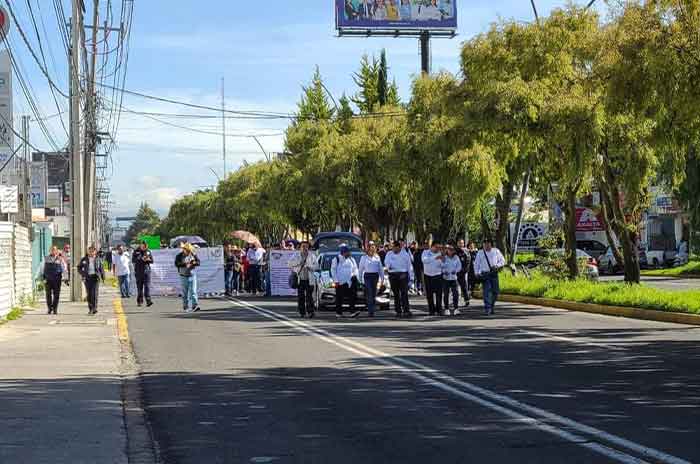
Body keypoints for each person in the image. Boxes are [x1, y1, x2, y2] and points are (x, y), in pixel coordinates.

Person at [474, 238, 506, 315]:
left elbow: (502, 261)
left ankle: (491, 306)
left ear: (491, 244)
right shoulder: (480, 252)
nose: (486, 245)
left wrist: (497, 265)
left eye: (488, 243)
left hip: (494, 273)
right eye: (484, 243)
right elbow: (476, 264)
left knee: (495, 291)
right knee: (487, 291)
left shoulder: (496, 251)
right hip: (485, 274)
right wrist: (476, 273)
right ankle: (487, 308)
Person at [288, 241, 318, 318]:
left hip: (309, 279)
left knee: (309, 297)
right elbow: (289, 264)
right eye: (303, 246)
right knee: (301, 297)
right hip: (300, 279)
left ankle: (310, 311)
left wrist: (310, 267)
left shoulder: (312, 256)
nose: (305, 248)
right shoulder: (296, 255)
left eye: (307, 247)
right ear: (300, 247)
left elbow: (317, 266)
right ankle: (302, 312)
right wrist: (299, 262)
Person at [385, 240, 413, 318]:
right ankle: (398, 311)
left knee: (404, 293)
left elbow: (409, 266)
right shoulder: (389, 254)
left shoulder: (405, 254)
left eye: (395, 247)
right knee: (396, 294)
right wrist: (388, 266)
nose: (393, 249)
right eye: (393, 247)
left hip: (403, 275)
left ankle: (406, 310)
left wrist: (411, 277)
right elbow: (386, 263)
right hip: (393, 275)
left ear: (399, 247)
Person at [331, 245, 360, 318]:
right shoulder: (336, 259)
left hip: (350, 281)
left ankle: (352, 312)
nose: (349, 253)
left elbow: (355, 268)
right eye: (348, 252)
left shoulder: (351, 259)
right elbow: (333, 270)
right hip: (340, 282)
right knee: (339, 298)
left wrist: (354, 275)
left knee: (352, 297)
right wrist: (336, 280)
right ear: (343, 252)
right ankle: (339, 313)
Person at [77, 246, 106, 315]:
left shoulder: (98, 259)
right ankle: (90, 308)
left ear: (95, 252)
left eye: (93, 251)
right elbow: (79, 267)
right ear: (88, 252)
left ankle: (95, 308)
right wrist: (83, 273)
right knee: (89, 294)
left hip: (95, 277)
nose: (91, 252)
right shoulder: (84, 259)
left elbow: (101, 268)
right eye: (90, 251)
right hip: (87, 277)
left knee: (94, 293)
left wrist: (103, 277)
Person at [359, 243, 384, 317]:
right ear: (368, 249)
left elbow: (380, 269)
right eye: (371, 248)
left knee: (373, 294)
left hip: (375, 276)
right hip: (367, 276)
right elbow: (360, 269)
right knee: (369, 293)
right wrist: (360, 280)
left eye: (374, 248)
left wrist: (382, 278)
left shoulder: (377, 257)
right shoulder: (364, 258)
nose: (372, 250)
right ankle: (370, 311)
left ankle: (372, 307)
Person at [175, 243, 201, 313]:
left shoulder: (193, 254)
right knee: (185, 293)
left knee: (193, 291)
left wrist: (193, 263)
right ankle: (185, 306)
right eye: (187, 250)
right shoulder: (179, 256)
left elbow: (198, 262)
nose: (188, 251)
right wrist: (185, 264)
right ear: (184, 249)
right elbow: (176, 264)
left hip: (192, 275)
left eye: (189, 250)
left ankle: (195, 306)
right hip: (183, 276)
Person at [422, 241, 444, 316]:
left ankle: (439, 309)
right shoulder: (425, 252)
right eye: (436, 247)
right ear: (432, 246)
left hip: (437, 275)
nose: (438, 249)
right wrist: (435, 257)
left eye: (439, 247)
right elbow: (425, 261)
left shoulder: (440, 253)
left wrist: (442, 260)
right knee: (429, 294)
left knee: (439, 293)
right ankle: (431, 310)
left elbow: (442, 264)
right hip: (428, 275)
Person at [42, 246, 64, 315]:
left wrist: (65, 278)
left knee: (56, 295)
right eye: (52, 250)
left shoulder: (60, 259)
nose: (53, 251)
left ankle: (55, 309)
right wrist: (43, 278)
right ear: (50, 251)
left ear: (57, 251)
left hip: (57, 280)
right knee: (48, 294)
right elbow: (42, 268)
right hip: (48, 279)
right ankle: (49, 308)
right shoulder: (46, 258)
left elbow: (64, 268)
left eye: (54, 250)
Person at [132, 241, 154, 308]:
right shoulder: (136, 251)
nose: (144, 247)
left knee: (147, 287)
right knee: (139, 288)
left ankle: (148, 301)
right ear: (141, 245)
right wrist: (140, 259)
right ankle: (139, 301)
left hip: (147, 272)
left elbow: (152, 261)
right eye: (143, 246)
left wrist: (147, 259)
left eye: (145, 246)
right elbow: (133, 260)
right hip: (138, 272)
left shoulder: (148, 251)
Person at [442, 245, 462, 316]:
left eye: (451, 250)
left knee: (455, 294)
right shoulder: (444, 257)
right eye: (449, 250)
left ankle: (456, 309)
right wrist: (444, 271)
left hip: (454, 278)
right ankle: (446, 309)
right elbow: (441, 266)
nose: (450, 251)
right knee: (446, 294)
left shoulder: (456, 258)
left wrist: (456, 271)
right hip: (446, 278)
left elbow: (459, 266)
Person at [456, 239, 471, 307]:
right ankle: (456, 300)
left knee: (464, 286)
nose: (460, 244)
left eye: (462, 243)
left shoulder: (466, 251)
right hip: (455, 272)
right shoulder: (455, 251)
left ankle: (466, 300)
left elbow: (468, 261)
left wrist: (465, 270)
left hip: (463, 272)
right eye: (459, 243)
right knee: (455, 287)